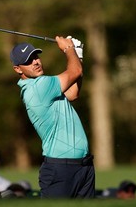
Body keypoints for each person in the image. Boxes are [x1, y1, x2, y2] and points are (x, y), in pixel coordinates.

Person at [10, 36, 95, 198]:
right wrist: (69, 49)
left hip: (83, 166)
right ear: (18, 69)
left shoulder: (45, 86)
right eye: (28, 61)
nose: (35, 62)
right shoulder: (38, 87)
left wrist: (78, 55)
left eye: (35, 57)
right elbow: (75, 71)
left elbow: (73, 93)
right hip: (60, 169)